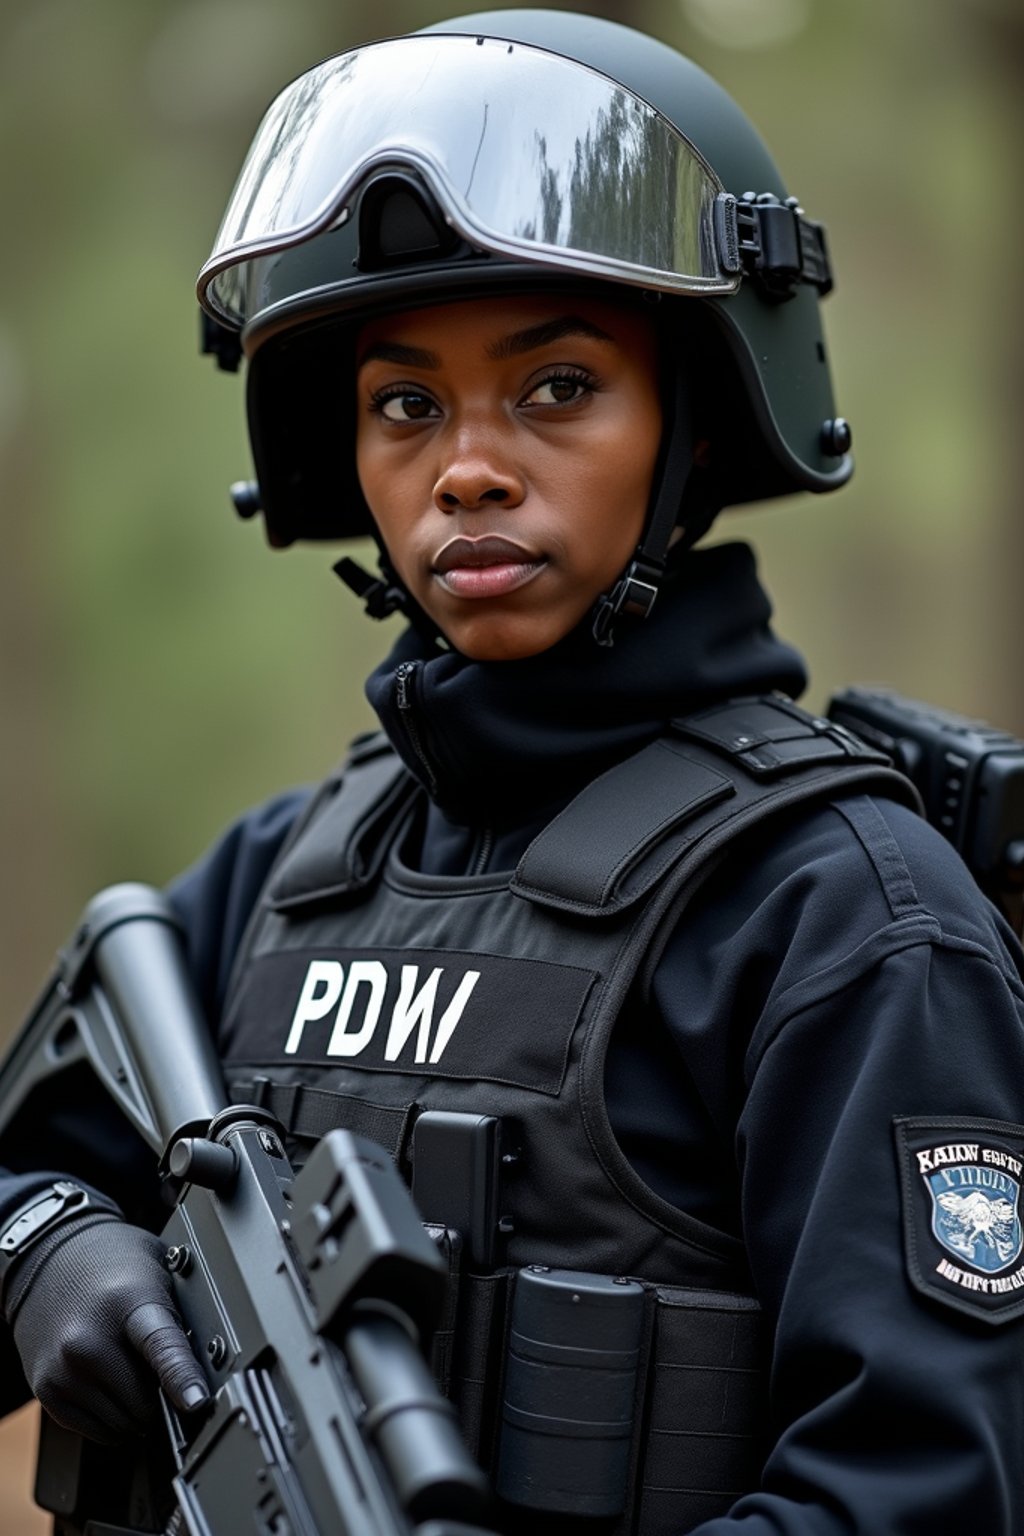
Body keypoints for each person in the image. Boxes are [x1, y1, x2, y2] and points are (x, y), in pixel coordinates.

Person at [2, 9, 1024, 1533]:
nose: (467, 464)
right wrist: (50, 1248)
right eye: (404, 404)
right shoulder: (282, 874)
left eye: (556, 387)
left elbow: (924, 1489)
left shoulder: (846, 923)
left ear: (694, 413)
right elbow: (29, 1167)